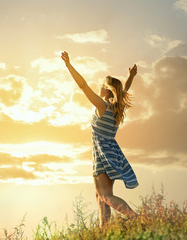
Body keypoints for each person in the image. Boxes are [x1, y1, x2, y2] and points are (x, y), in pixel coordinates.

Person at [61, 51, 139, 227]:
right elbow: (124, 90)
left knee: (104, 196)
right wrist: (130, 77)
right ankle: (105, 232)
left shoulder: (102, 106)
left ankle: (136, 218)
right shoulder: (117, 107)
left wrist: (69, 66)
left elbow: (83, 86)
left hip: (103, 155)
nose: (99, 88)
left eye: (102, 86)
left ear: (106, 90)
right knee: (101, 198)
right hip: (111, 154)